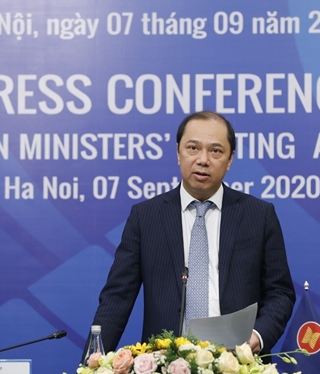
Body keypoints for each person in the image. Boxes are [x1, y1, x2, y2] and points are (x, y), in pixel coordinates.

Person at [83, 111, 295, 360]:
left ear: (229, 160)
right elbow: (117, 298)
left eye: (216, 151)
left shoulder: (258, 215)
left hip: (240, 368)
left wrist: (257, 337)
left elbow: (280, 293)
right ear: (178, 153)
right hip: (164, 373)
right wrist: (88, 370)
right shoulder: (146, 217)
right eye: (193, 148)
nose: (203, 160)